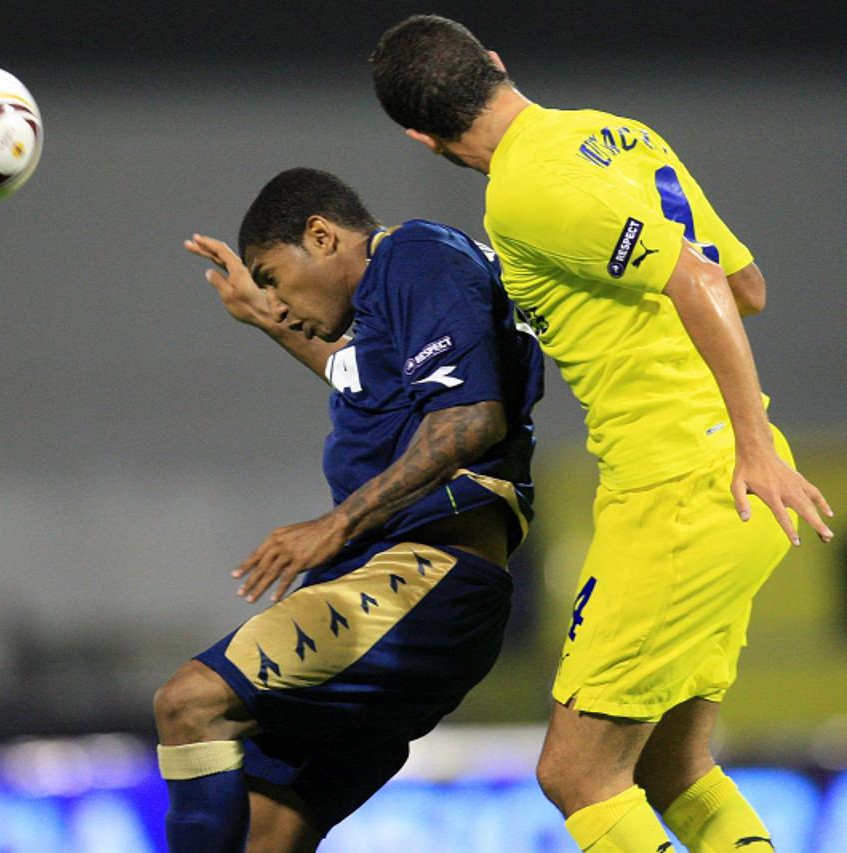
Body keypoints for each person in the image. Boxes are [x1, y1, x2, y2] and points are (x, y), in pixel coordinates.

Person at [369, 15, 834, 852]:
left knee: (577, 774)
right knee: (675, 769)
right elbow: (746, 284)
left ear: (419, 137)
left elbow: (697, 278)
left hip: (682, 488)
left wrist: (751, 446)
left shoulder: (523, 188)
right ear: (497, 63)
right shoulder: (614, 135)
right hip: (724, 481)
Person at [155, 167, 544, 851]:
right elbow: (360, 374)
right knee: (266, 833)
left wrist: (337, 522)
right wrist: (265, 315)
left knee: (190, 702)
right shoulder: (387, 314)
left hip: (431, 578)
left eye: (273, 276)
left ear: (322, 235)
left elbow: (469, 419)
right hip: (409, 597)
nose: (280, 301)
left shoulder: (416, 255)